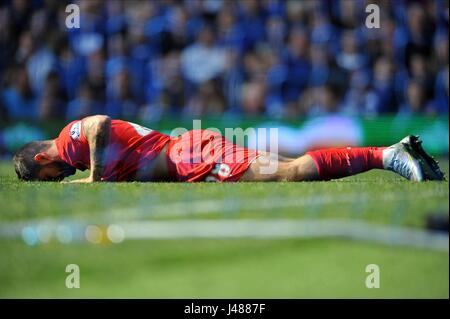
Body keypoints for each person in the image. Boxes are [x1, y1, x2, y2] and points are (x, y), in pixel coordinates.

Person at [13, 115, 444, 183]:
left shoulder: (69, 144)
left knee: (288, 174)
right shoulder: (73, 149)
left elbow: (98, 123)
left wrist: (91, 174)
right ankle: (395, 152)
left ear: (41, 160)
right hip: (190, 150)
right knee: (290, 167)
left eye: (50, 178)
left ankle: (389, 157)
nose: (61, 178)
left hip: (190, 156)